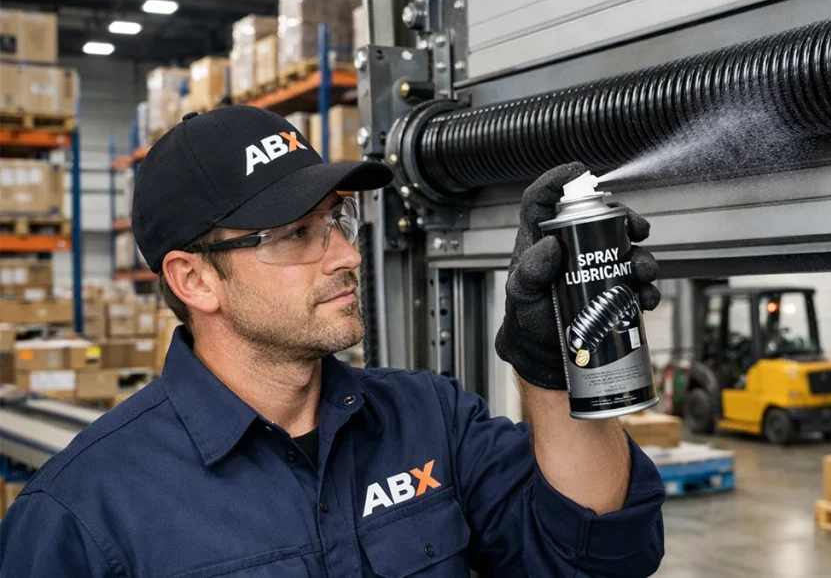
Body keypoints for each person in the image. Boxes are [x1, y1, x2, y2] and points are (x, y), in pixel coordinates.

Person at [0, 107, 665, 577]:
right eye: (295, 233)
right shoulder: (83, 512)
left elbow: (597, 556)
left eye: (336, 219)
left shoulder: (429, 418)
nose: (346, 252)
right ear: (195, 278)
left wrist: (550, 370)